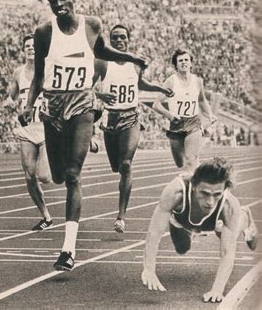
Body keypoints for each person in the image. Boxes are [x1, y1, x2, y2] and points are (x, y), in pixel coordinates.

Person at [20, 0, 148, 271]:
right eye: (53, 0)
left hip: (81, 105)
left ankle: (68, 250)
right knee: (57, 177)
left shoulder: (92, 25)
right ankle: (73, 154)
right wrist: (29, 105)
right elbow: (39, 76)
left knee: (73, 175)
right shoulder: (43, 32)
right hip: (53, 108)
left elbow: (101, 51)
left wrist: (131, 57)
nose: (59, 4)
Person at [141, 157, 258, 303]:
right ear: (194, 185)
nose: (210, 202)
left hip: (214, 222)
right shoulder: (176, 191)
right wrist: (149, 270)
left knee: (224, 233)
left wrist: (217, 289)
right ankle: (188, 229)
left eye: (217, 195)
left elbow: (227, 252)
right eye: (205, 193)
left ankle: (244, 217)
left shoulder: (229, 204)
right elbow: (154, 233)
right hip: (183, 220)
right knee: (182, 248)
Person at [94, 25, 174, 234]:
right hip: (110, 119)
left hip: (131, 117)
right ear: (110, 42)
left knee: (126, 164)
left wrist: (158, 88)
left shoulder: (136, 64)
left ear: (129, 40)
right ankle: (120, 175)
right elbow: (88, 86)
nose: (119, 40)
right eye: (115, 38)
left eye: (123, 37)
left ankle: (121, 217)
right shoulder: (102, 63)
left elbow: (140, 84)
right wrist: (100, 96)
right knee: (116, 167)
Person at [9, 33, 53, 231]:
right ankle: (46, 216)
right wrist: (11, 105)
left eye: (34, 45)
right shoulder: (18, 73)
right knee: (29, 176)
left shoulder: (48, 70)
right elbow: (11, 97)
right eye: (27, 46)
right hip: (27, 129)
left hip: (45, 128)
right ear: (23, 50)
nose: (30, 48)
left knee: (44, 176)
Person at [152, 48, 217, 173]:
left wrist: (210, 114)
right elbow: (156, 104)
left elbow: (202, 100)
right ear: (176, 65)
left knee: (190, 160)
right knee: (180, 163)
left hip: (193, 123)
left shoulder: (198, 81)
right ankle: (196, 171)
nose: (184, 62)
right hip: (176, 124)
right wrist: (170, 115)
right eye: (180, 60)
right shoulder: (171, 82)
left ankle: (193, 186)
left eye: (186, 60)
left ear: (191, 63)